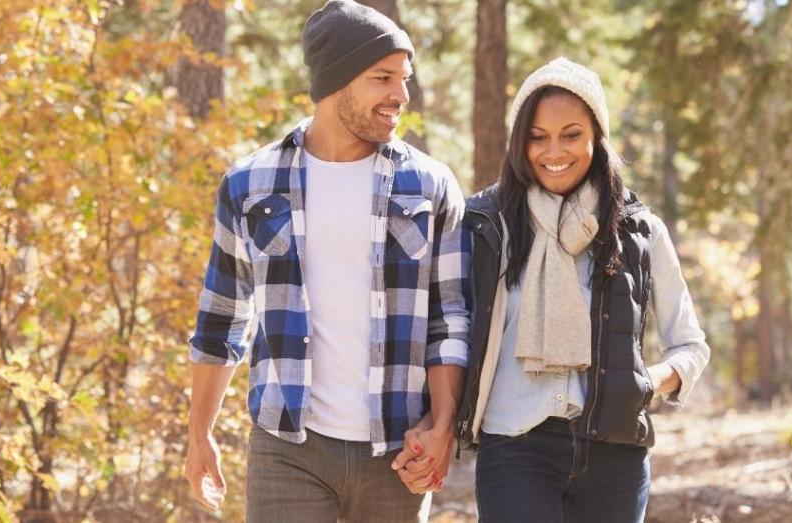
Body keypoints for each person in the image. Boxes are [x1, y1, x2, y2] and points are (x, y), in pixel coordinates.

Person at [184, 1, 470, 521]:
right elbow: (223, 316)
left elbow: (450, 318)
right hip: (287, 446)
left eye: (404, 79)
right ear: (335, 82)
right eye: (382, 78)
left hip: (398, 447)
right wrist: (199, 433)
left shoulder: (429, 185)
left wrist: (442, 424)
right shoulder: (251, 183)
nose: (400, 96)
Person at [453, 57, 711, 522]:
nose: (554, 150)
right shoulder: (486, 225)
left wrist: (652, 381)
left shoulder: (639, 231)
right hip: (515, 447)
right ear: (519, 142)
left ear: (597, 136)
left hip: (615, 454)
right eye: (538, 136)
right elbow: (450, 329)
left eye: (571, 134)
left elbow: (690, 344)